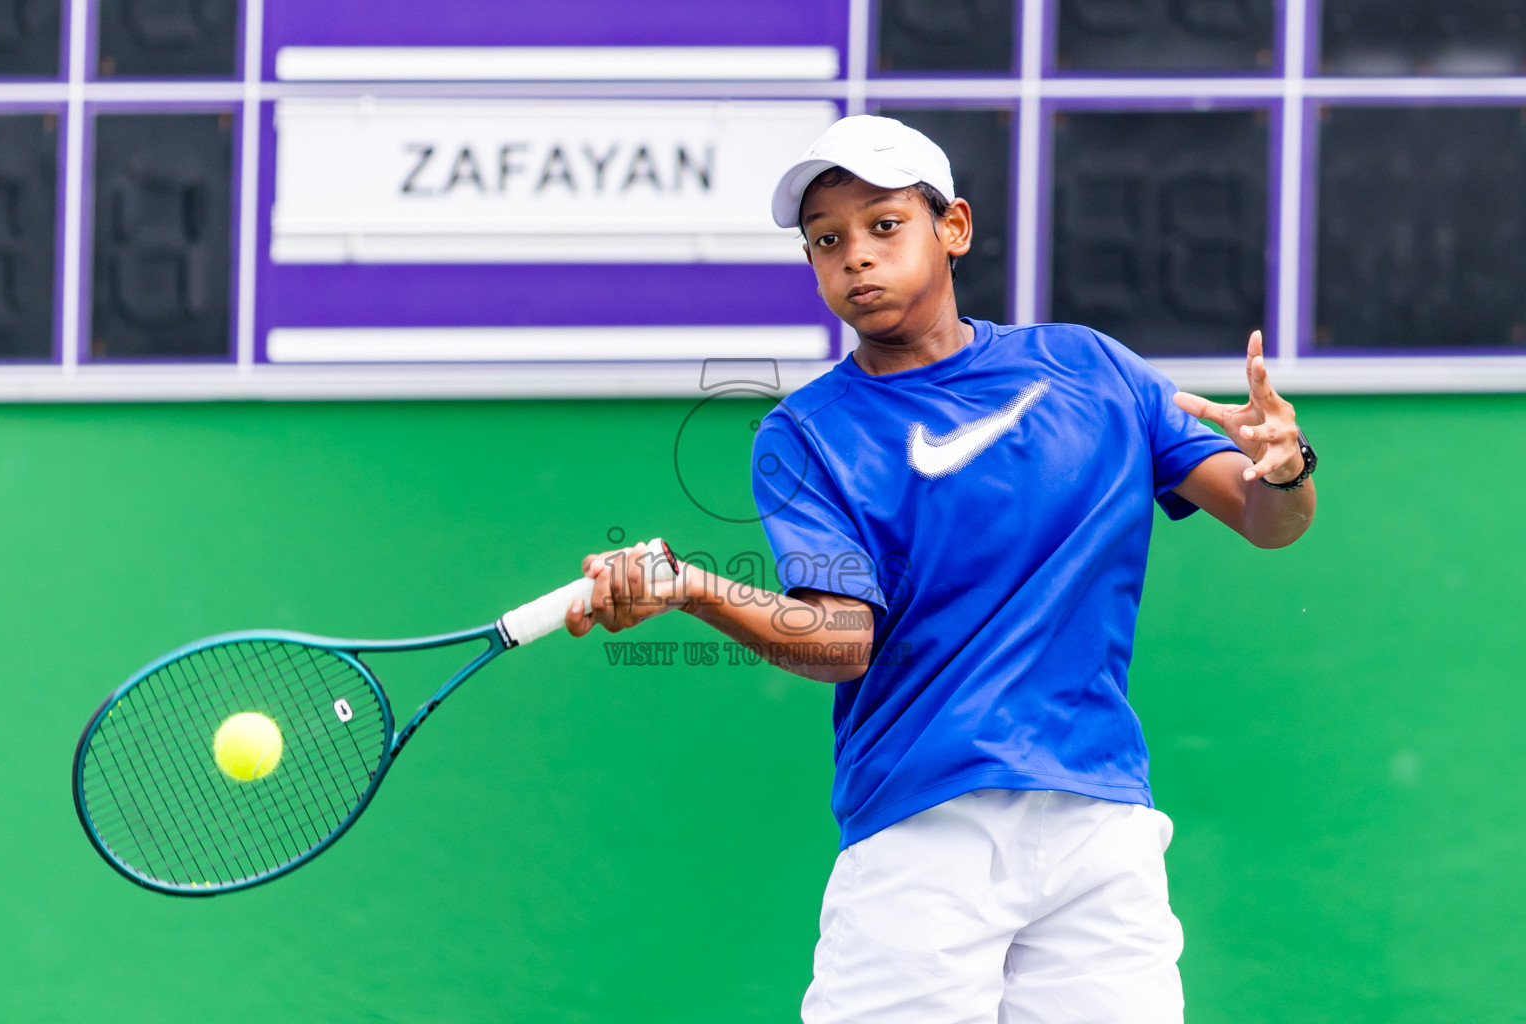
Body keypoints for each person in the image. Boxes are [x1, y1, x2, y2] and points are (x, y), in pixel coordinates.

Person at [564, 115, 1317, 1023]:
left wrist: (1289, 465)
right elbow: (840, 640)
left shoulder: (1090, 369)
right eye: (827, 242)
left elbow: (1268, 520)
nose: (856, 258)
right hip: (923, 832)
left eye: (885, 226)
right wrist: (691, 587)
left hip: (1097, 823)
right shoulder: (805, 435)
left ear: (951, 228)